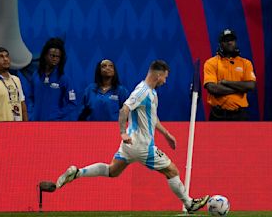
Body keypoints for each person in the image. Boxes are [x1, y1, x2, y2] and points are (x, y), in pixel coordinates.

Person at [55, 60, 209, 213]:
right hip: (142, 146)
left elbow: (152, 118)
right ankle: (189, 203)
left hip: (130, 146)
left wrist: (166, 134)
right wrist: (122, 132)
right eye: (165, 77)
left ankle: (78, 172)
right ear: (158, 75)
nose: (165, 81)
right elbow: (124, 110)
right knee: (172, 171)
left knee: (112, 171)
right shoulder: (142, 92)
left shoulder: (151, 92)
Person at [203, 28, 256, 121]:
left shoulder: (246, 63)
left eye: (231, 40)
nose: (229, 42)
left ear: (235, 42)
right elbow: (213, 88)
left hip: (240, 115)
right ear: (220, 43)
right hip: (218, 115)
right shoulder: (211, 63)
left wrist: (226, 82)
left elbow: (251, 86)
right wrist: (240, 89)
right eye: (226, 40)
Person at [27, 37, 78, 121]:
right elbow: (30, 97)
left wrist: (57, 114)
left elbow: (72, 103)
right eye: (52, 55)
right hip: (35, 122)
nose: (55, 59)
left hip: (53, 124)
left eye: (58, 57)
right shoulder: (36, 75)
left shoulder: (64, 78)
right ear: (45, 55)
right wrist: (31, 113)